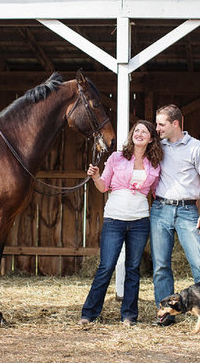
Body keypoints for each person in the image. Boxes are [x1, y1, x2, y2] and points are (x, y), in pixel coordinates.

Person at [79, 120, 163, 326]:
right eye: (136, 130)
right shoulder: (117, 157)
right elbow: (103, 187)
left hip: (140, 221)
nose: (139, 134)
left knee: (133, 268)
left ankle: (129, 315)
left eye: (144, 132)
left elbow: (157, 191)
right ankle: (89, 314)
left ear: (151, 138)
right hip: (115, 219)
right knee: (106, 266)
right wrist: (96, 176)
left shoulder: (155, 164)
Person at [150, 104, 200, 329]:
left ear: (176, 124)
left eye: (161, 124)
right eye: (156, 124)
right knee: (161, 265)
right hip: (160, 209)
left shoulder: (196, 147)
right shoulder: (158, 146)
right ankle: (165, 316)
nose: (157, 128)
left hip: (187, 211)